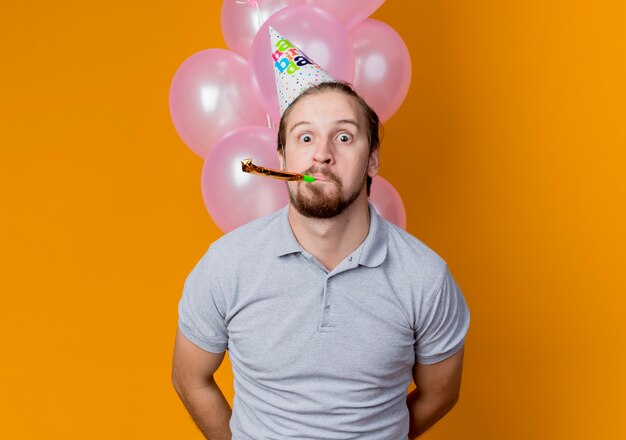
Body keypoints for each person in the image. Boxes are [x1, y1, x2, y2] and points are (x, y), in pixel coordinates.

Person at [172, 28, 469, 440]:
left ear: (373, 160)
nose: (322, 153)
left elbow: (440, 394)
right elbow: (190, 378)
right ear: (282, 158)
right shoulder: (226, 265)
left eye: (344, 137)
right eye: (305, 137)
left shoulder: (426, 278)